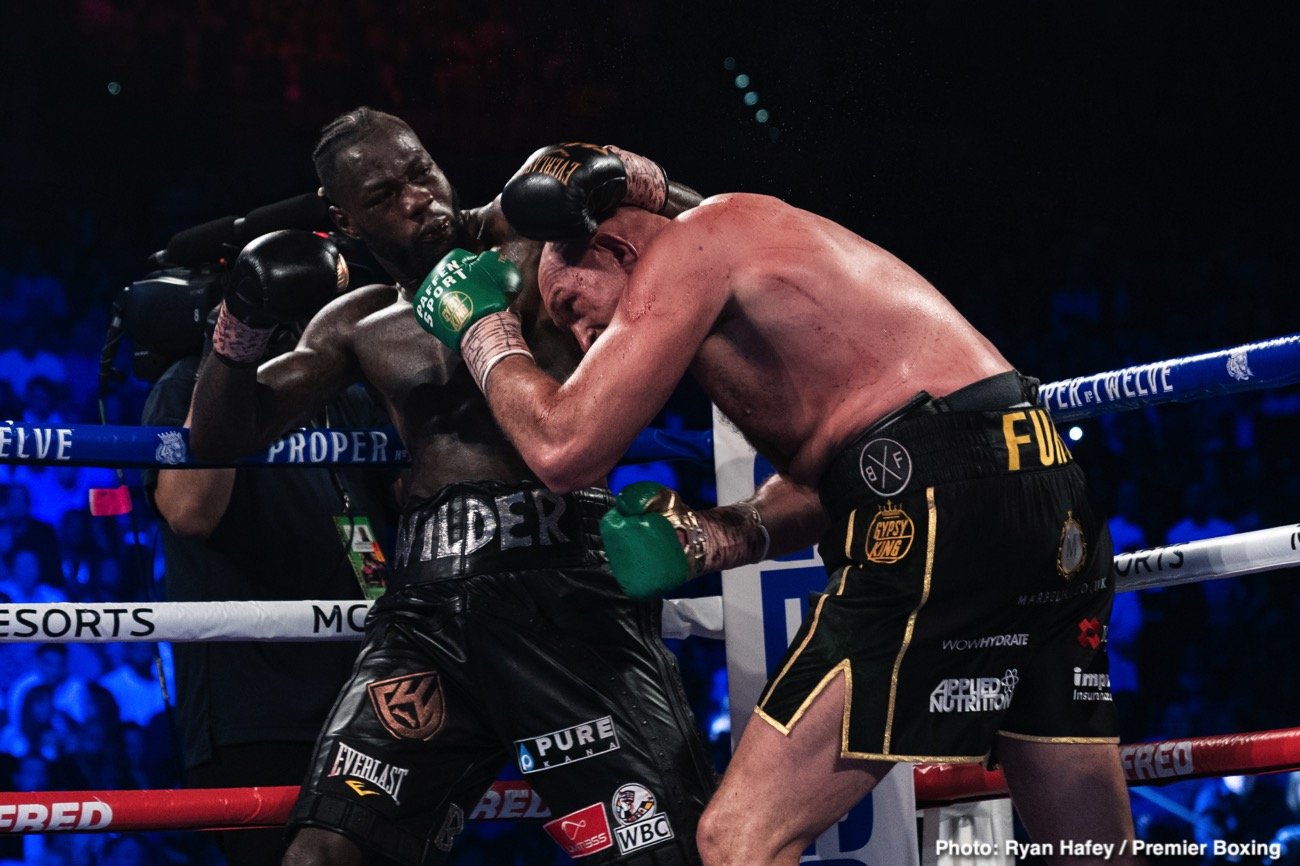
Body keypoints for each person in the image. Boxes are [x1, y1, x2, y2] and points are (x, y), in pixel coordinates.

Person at [419, 146, 1138, 865]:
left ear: (615, 245)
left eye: (574, 307)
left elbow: (563, 448)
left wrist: (485, 327)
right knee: (1091, 852)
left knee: (738, 840)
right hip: (1042, 496)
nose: (578, 341)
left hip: (939, 509)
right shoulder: (761, 260)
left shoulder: (697, 240)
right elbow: (858, 467)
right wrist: (715, 537)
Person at [186, 108, 717, 865]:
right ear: (344, 217)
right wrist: (240, 321)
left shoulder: (536, 236)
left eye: (421, 173)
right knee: (322, 854)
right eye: (384, 197)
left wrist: (628, 177)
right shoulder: (360, 321)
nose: (419, 200)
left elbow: (716, 237)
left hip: (566, 589)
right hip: (428, 613)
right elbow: (220, 437)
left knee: (653, 849)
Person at [143, 229, 400, 866]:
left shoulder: (349, 397)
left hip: (363, 691)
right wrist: (234, 350)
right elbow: (189, 513)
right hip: (253, 706)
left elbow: (405, 503)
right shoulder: (188, 385)